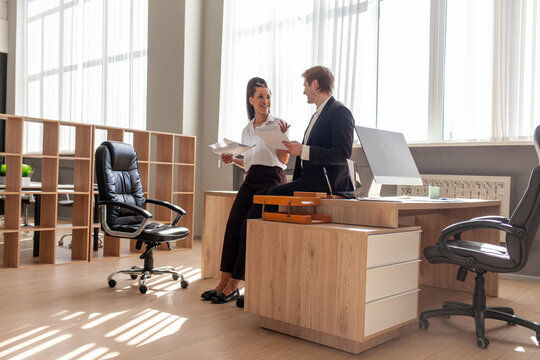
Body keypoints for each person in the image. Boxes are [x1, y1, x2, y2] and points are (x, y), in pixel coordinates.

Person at [201, 77, 290, 304]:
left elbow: (283, 160)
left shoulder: (277, 123)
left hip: (271, 181)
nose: (265, 101)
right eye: (260, 97)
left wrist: (282, 139)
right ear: (251, 100)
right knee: (232, 226)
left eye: (268, 96)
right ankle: (223, 281)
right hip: (251, 179)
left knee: (246, 228)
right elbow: (252, 160)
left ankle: (234, 285)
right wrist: (235, 161)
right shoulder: (247, 129)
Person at [268, 65, 355, 197]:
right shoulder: (318, 114)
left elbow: (343, 154)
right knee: (272, 193)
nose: (304, 91)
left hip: (326, 185)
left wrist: (303, 150)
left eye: (305, 86)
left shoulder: (340, 111)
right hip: (310, 181)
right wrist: (295, 149)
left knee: (273, 195)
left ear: (315, 84)